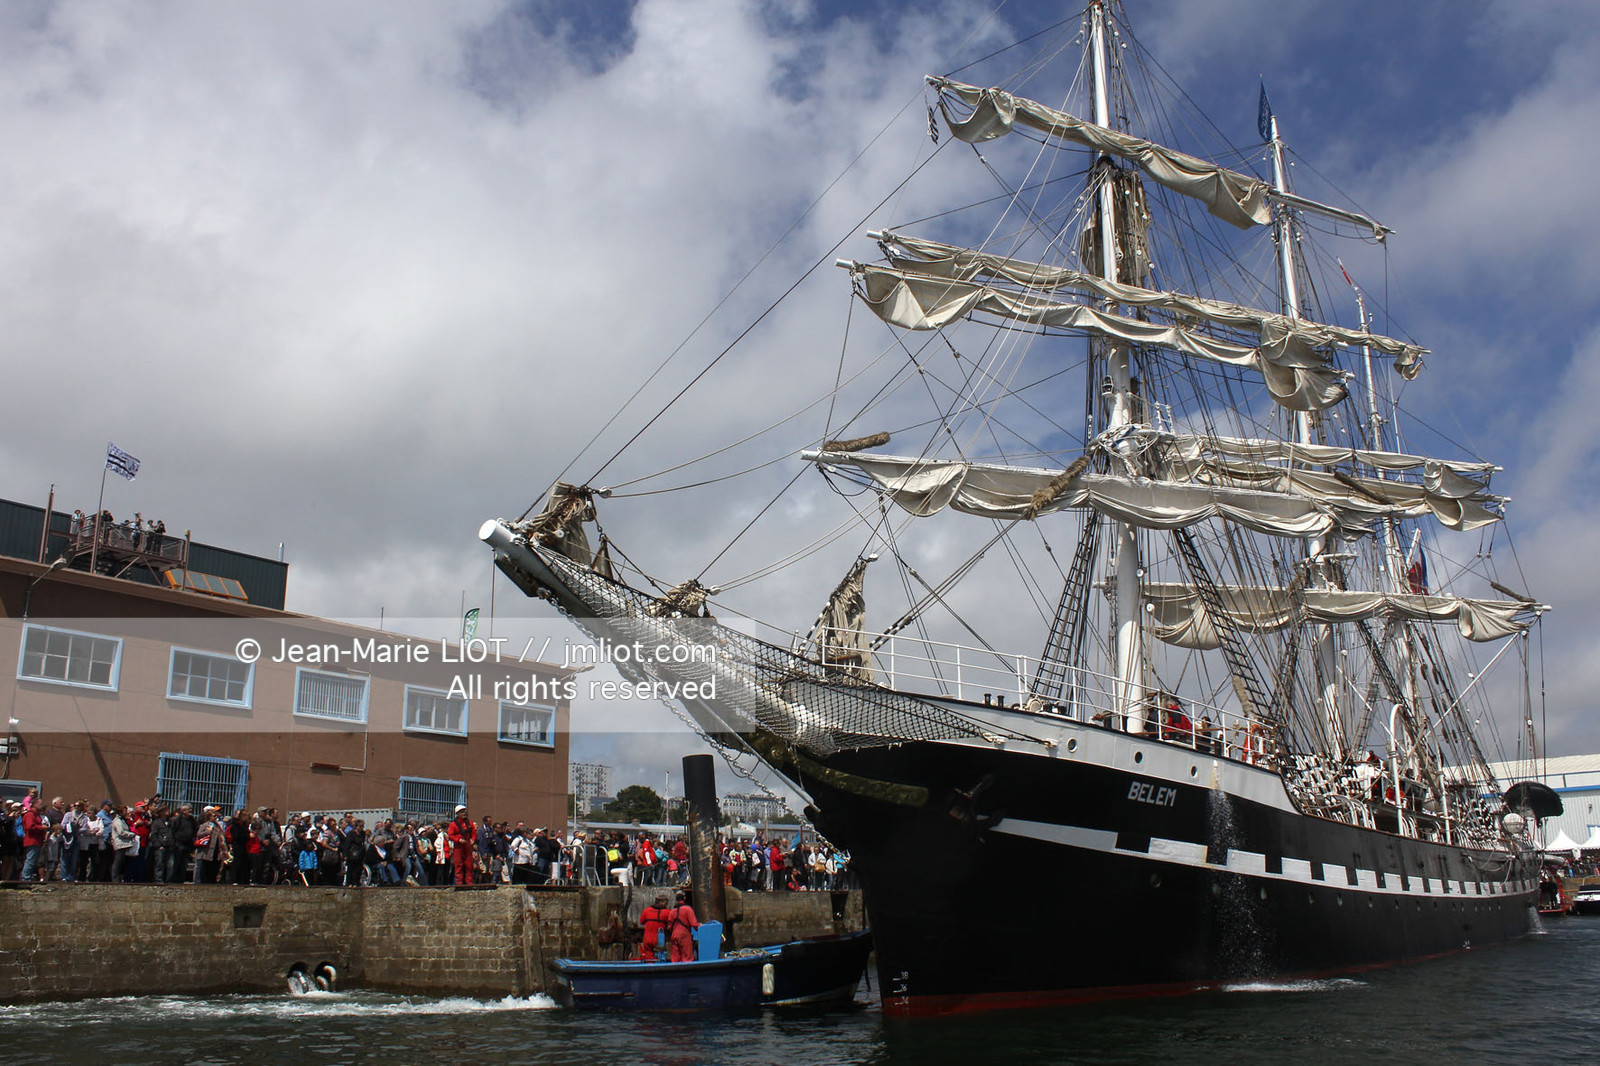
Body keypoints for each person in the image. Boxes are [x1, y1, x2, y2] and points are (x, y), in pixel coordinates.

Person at [446, 806, 477, 886]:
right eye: (461, 812)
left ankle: (469, 882)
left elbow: (473, 833)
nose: (464, 813)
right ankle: (459, 883)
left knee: (469, 865)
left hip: (467, 846)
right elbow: (450, 835)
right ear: (457, 814)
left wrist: (472, 840)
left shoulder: (469, 823)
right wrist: (458, 840)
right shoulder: (453, 824)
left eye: (464, 811)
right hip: (458, 847)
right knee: (459, 865)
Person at [639, 892, 673, 962]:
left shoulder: (647, 910)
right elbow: (671, 925)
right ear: (663, 902)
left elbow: (641, 922)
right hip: (659, 939)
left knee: (648, 958)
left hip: (647, 938)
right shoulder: (668, 912)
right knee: (661, 957)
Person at [668, 890, 701, 962]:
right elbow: (694, 924)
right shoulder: (688, 909)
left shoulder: (672, 911)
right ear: (684, 898)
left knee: (675, 958)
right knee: (687, 958)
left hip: (674, 935)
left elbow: (669, 927)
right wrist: (702, 927)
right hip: (684, 935)